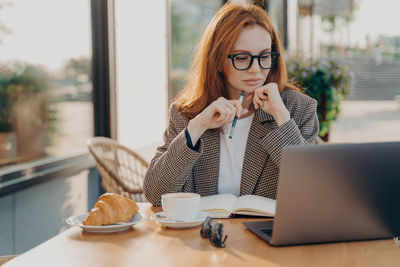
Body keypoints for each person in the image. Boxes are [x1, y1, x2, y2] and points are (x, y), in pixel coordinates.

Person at [144, 3, 319, 206]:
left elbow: (313, 191)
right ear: (217, 60)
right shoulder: (187, 114)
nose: (256, 69)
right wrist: (197, 126)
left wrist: (281, 117)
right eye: (242, 58)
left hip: (267, 235)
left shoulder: (297, 109)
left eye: (264, 56)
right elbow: (155, 194)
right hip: (204, 235)